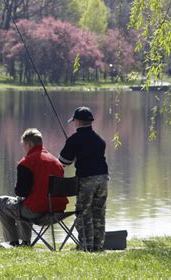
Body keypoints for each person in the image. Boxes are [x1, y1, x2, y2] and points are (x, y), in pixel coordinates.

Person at [0, 128, 67, 247]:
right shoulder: (56, 162)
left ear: (29, 144)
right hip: (57, 210)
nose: (23, 148)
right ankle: (25, 242)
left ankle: (12, 243)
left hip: (37, 212)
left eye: (23, 145)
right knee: (21, 204)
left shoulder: (26, 162)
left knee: (2, 202)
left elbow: (21, 191)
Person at [59, 106, 109, 252]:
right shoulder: (100, 140)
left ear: (78, 122)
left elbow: (63, 162)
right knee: (99, 212)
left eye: (74, 121)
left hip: (87, 179)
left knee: (83, 212)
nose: (74, 123)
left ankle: (85, 246)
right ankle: (97, 246)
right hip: (103, 178)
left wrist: (71, 150)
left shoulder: (74, 139)